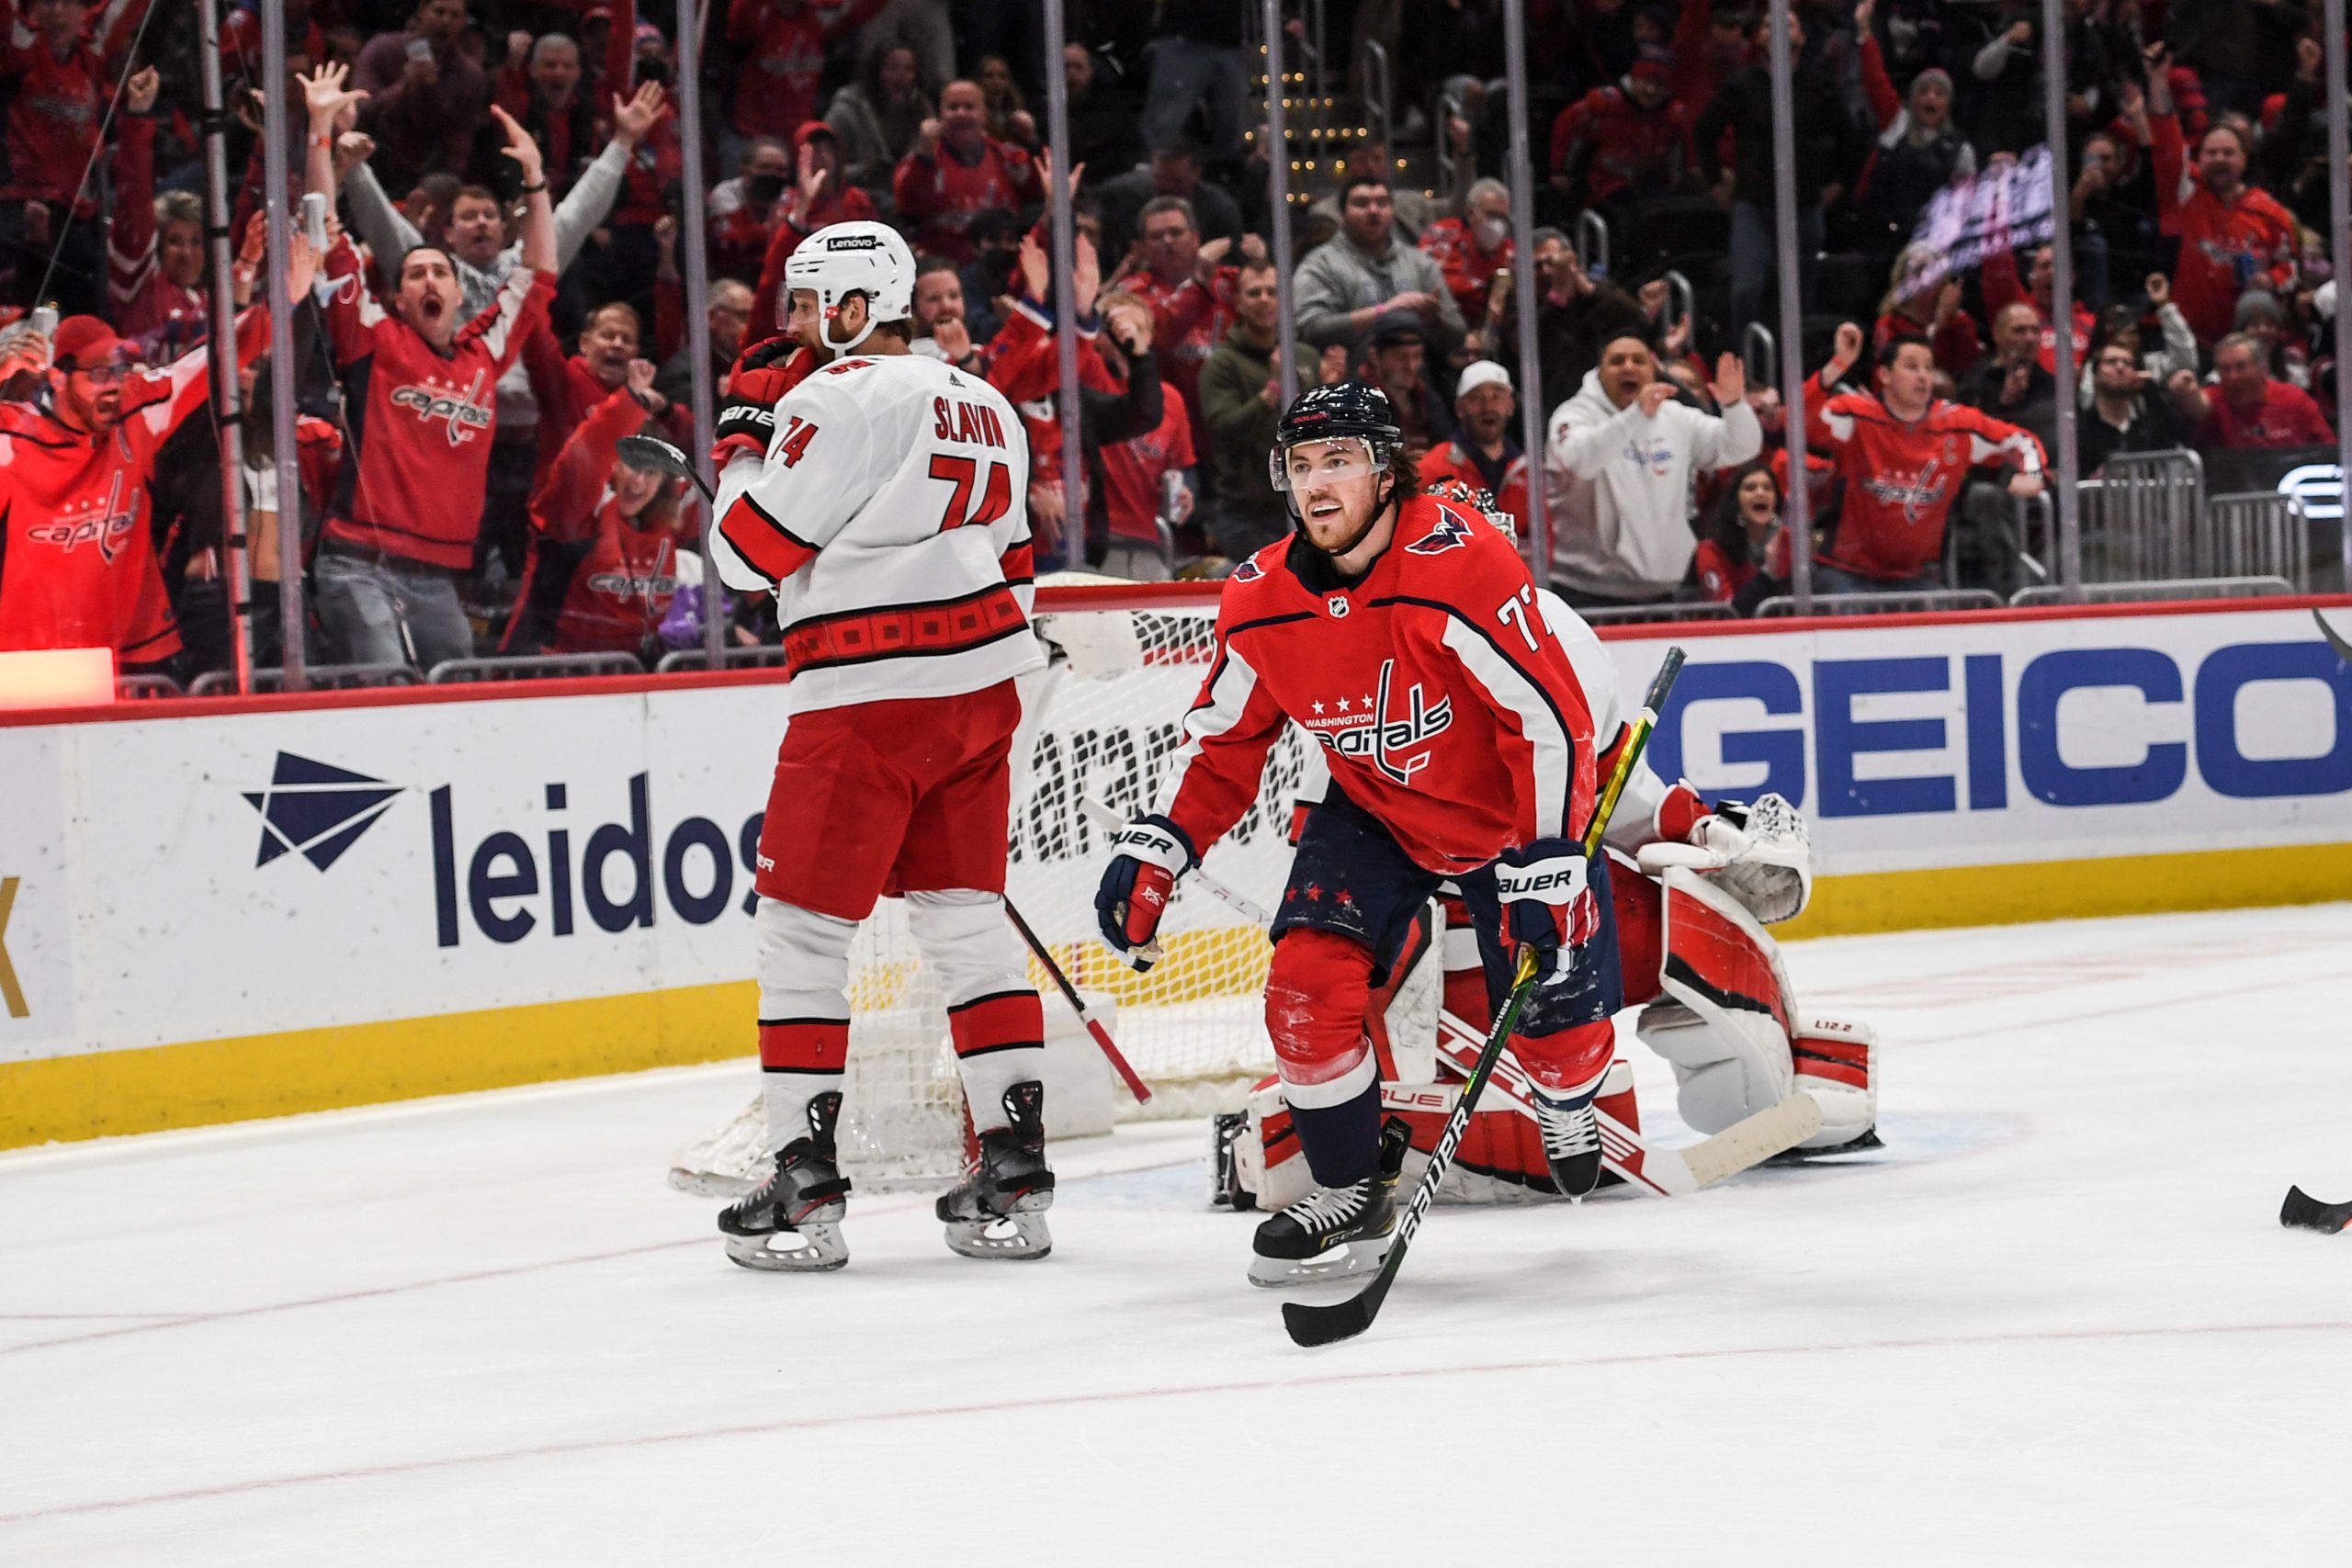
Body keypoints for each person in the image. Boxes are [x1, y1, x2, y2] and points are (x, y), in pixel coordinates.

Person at [1092, 382, 1620, 1287]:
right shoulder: (1258, 596)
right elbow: (1225, 745)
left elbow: (1548, 720)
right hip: (1373, 811)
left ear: (1383, 469)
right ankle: (1347, 1187)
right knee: (1301, 990)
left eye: (1337, 459)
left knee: (1555, 1022)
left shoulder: (1462, 563)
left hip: (1505, 821)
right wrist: (1163, 844)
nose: (1317, 484)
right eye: (1300, 465)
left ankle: (1567, 1096)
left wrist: (1545, 863)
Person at [705, 220, 1050, 1271]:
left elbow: (741, 556)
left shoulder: (832, 397)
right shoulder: (988, 402)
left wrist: (739, 442)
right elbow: (1019, 562)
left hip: (866, 693)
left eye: (813, 307)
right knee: (966, 922)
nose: (803, 329)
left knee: (803, 934)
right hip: (986, 687)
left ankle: (802, 1184)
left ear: (856, 305)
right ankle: (1013, 1166)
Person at [310, 104, 557, 668]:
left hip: (438, 577)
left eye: (438, 272)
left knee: (456, 698)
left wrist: (536, 180)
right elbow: (323, 238)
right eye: (415, 272)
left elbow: (539, 274)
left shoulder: (483, 352)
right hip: (357, 563)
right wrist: (318, 134)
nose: (428, 278)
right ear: (397, 299)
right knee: (390, 696)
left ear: (455, 293)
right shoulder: (374, 336)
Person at [1802, 322, 2046, 594]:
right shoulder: (1857, 417)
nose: (1923, 376)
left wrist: (2033, 474)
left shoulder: (1957, 425)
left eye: (1928, 367)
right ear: (1884, 374)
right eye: (1911, 366)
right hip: (1845, 572)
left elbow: (2022, 440)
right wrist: (1838, 364)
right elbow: (1799, 421)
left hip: (1914, 576)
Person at [1545, 333, 1758, 607]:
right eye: (1617, 361)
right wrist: (1637, 415)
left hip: (1664, 590)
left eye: (1639, 360)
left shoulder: (1676, 417)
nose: (1629, 367)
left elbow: (1740, 448)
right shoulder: (1574, 415)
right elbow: (1581, 461)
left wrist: (1734, 406)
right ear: (1599, 373)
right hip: (1586, 592)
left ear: (1654, 371)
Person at [509, 357, 695, 657]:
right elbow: (582, 458)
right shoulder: (577, 516)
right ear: (613, 466)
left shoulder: (665, 528)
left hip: (629, 675)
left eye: (651, 472)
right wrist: (630, 400)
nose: (638, 482)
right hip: (550, 672)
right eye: (632, 466)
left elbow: (710, 461)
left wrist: (670, 413)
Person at [2144, 57, 2298, 345]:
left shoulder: (2271, 213)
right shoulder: (2187, 193)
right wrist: (2157, 82)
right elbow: (2166, 141)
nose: (2219, 160)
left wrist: (2271, 281)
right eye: (2211, 153)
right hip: (2188, 339)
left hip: (2246, 344)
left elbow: (2290, 269)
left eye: (2228, 153)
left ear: (2244, 159)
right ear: (2199, 158)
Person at [1197, 256, 1340, 558]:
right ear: (1237, 300)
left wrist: (1329, 392)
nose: (1264, 300)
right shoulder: (1222, 364)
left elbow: (1321, 436)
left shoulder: (1306, 356)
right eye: (1254, 292)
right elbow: (1223, 430)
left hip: (1306, 504)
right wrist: (1273, 389)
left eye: (1272, 292)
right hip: (1247, 514)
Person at [1293, 176, 1465, 355]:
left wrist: (1435, 322)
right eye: (1361, 203)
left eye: (1382, 203)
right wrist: (1384, 312)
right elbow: (1309, 331)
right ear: (1342, 213)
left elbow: (1459, 334)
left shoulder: (1420, 263)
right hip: (1350, 379)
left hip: (1415, 379)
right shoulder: (1321, 264)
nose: (1374, 211)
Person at [1091, 290, 1194, 580]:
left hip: (1149, 543)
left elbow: (1175, 471)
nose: (1128, 337)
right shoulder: (1089, 387)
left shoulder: (1170, 399)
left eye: (1137, 329)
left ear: (1150, 337)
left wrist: (1182, 495)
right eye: (1119, 328)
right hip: (1097, 542)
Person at [891, 78, 1043, 264]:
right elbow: (907, 205)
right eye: (953, 107)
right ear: (940, 116)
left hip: (1003, 269)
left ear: (985, 114)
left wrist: (1032, 142)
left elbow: (1042, 188)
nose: (961, 113)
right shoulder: (922, 161)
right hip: (945, 271)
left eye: (969, 107)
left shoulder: (1009, 158)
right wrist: (924, 156)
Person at [351, 0, 489, 194]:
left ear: (464, 21)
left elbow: (460, 142)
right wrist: (405, 85)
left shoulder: (470, 75)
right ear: (422, 11)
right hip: (372, 164)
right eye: (439, 12)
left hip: (431, 178)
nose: (445, 21)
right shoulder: (383, 49)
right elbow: (361, 110)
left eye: (455, 15)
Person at [2167, 333, 2336, 450]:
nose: (2233, 377)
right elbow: (2197, 404)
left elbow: (2327, 446)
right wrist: (2183, 391)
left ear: (2262, 368)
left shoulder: (2295, 400)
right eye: (2225, 369)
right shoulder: (2216, 398)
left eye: (2241, 367)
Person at [1419, 360, 1530, 534]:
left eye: (1497, 396)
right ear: (1459, 408)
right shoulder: (1432, 467)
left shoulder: (1528, 470)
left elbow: (1545, 540)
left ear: (1510, 405)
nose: (1488, 407)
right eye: (1476, 398)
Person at [826, 44, 933, 204]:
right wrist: (863, 171)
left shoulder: (922, 108)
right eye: (893, 68)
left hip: (907, 197)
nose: (901, 77)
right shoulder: (847, 109)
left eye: (908, 69)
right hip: (856, 197)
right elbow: (824, 170)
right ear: (876, 73)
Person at [1959, 302, 2060, 458]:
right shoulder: (1976, 381)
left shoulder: (2052, 384)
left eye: (2035, 331)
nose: (2030, 338)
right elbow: (1970, 436)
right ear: (1997, 334)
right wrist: (2005, 403)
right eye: (2019, 331)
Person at [1691, 458, 1790, 613]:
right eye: (1750, 488)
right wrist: (1768, 573)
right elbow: (1729, 614)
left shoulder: (1787, 542)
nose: (1761, 493)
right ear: (1736, 501)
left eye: (1768, 488)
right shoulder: (1711, 550)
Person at [1419, 178, 1514, 333]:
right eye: (1491, 215)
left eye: (1502, 217)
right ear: (1470, 213)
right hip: (1442, 328)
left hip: (1489, 332)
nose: (1497, 224)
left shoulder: (1509, 251)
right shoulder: (1442, 236)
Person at [2080, 335, 2187, 473]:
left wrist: (2151, 392)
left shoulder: (2145, 428)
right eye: (2111, 362)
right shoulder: (2083, 429)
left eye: (2128, 363)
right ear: (2095, 375)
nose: (2120, 367)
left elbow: (2173, 439)